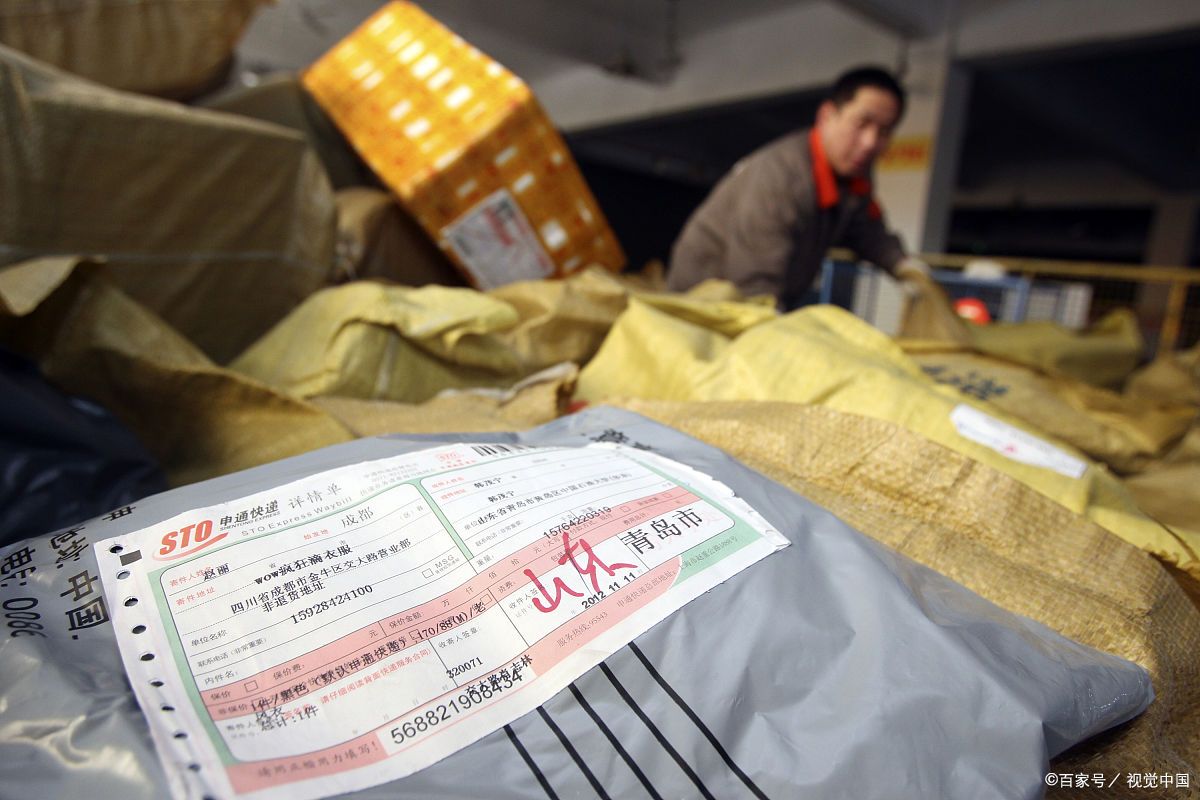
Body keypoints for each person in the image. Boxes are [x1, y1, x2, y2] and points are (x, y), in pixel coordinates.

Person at [666, 66, 931, 309]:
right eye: (861, 124)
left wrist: (902, 265)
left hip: (758, 299)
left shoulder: (854, 178)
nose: (870, 142)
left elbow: (866, 230)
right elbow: (755, 287)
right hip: (702, 305)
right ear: (827, 115)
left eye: (884, 131)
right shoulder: (780, 178)